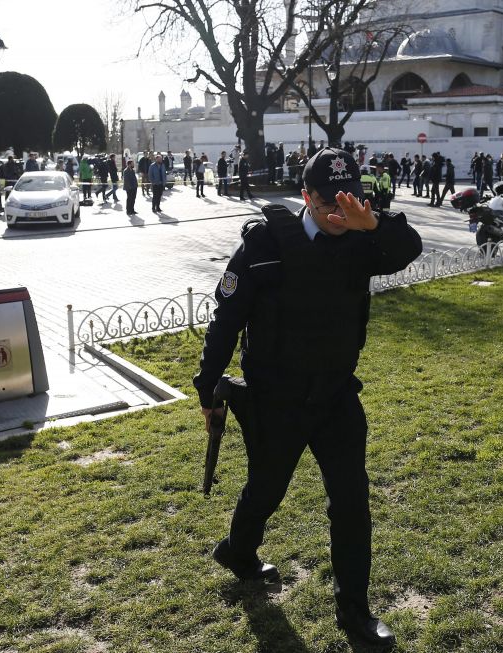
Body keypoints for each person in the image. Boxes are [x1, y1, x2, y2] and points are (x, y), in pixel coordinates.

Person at [194, 147, 422, 649]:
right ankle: (239, 550)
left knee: (351, 500)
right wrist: (208, 385)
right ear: (306, 197)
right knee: (267, 488)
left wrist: (374, 221)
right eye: (329, 206)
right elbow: (227, 319)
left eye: (351, 202)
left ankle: (354, 611)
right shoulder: (267, 244)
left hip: (336, 394)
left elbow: (409, 248)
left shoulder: (364, 235)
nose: (341, 215)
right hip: (276, 398)